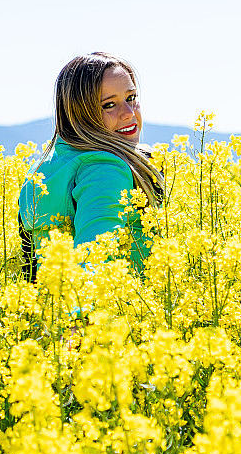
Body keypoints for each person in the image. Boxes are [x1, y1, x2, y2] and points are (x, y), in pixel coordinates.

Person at [18, 52, 164, 282]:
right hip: (104, 314)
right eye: (109, 105)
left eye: (131, 97)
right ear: (81, 113)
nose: (128, 113)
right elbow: (95, 262)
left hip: (50, 310)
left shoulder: (46, 168)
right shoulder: (104, 168)